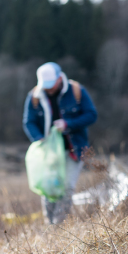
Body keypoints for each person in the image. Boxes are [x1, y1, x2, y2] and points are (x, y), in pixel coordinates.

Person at [23, 62, 97, 225]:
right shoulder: (35, 96)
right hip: (49, 153)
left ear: (59, 78)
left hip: (74, 149)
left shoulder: (77, 91)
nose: (48, 89)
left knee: (67, 187)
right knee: (49, 189)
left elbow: (91, 115)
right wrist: (38, 138)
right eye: (45, 86)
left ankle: (59, 226)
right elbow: (29, 121)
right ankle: (49, 225)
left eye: (51, 85)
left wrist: (68, 123)